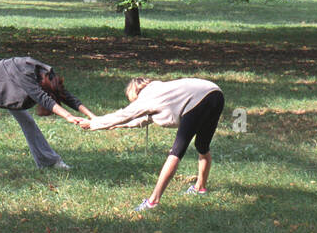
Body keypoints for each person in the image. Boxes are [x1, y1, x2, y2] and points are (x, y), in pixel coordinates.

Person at [81, 75, 224, 211]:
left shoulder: (147, 96)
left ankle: (153, 201)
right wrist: (115, 126)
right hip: (216, 94)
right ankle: (200, 187)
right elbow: (143, 119)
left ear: (135, 92)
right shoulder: (162, 91)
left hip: (198, 101)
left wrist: (94, 123)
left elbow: (124, 115)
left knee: (176, 153)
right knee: (202, 145)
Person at [0, 56, 95, 189]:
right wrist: (69, 117)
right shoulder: (26, 75)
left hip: (9, 87)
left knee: (28, 122)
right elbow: (42, 98)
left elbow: (66, 96)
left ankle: (48, 161)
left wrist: (92, 116)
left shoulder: (48, 75)